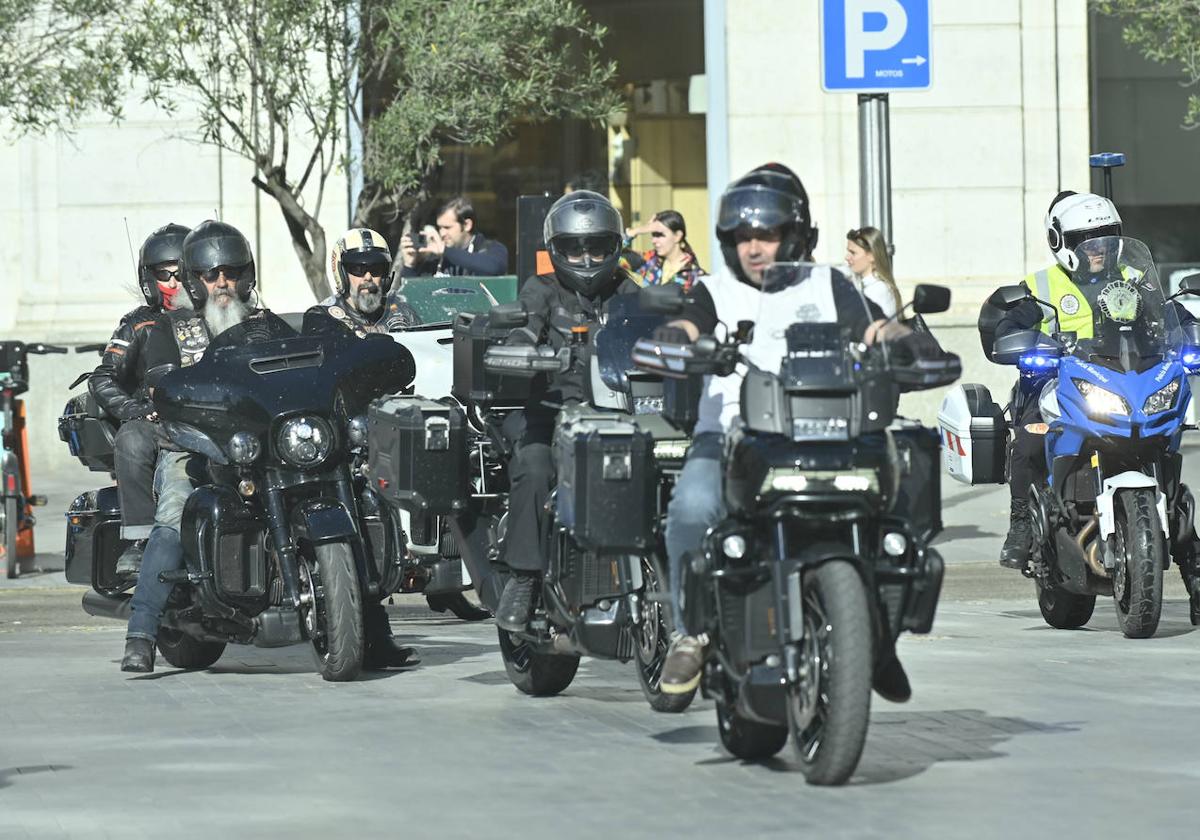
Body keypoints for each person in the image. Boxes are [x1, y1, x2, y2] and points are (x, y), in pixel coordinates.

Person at [654, 163, 931, 695]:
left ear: (794, 236)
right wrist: (674, 336)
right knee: (690, 509)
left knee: (901, 503)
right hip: (734, 435)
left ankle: (878, 635)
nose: (754, 247)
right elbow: (689, 322)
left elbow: (872, 324)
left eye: (768, 234)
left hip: (827, 429)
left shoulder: (827, 284)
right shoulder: (714, 290)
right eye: (744, 236)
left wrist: (903, 339)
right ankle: (689, 635)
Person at [493, 190, 641, 631]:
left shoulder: (628, 290)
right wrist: (522, 348)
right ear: (556, 249)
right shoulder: (542, 288)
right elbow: (525, 323)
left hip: (617, 410)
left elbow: (657, 332)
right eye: (574, 247)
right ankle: (523, 578)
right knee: (535, 467)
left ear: (614, 246)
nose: (586, 256)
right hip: (551, 407)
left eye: (597, 246)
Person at [988, 191, 1123, 571]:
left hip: (1123, 380)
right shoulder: (1040, 285)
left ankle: (1190, 554)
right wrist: (1020, 341)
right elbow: (1008, 324)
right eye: (1087, 242)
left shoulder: (1132, 277)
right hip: (1054, 384)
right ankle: (1020, 526)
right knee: (1031, 440)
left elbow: (1165, 314)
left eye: (1107, 239)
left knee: (1164, 438)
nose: (1099, 250)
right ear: (1061, 242)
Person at [89, 223, 191, 578]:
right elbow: (102, 378)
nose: (176, 283)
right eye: (167, 274)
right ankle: (141, 539)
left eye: (184, 272)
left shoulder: (220, 317)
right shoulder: (139, 325)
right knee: (131, 439)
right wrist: (136, 410)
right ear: (150, 279)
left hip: (213, 418)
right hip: (158, 421)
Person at [318, 227, 420, 334]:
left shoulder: (403, 313)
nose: (368, 277)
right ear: (342, 274)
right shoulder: (324, 317)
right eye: (358, 269)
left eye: (375, 269)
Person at [399, 197, 509, 278]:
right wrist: (410, 265)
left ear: (467, 225)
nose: (442, 233)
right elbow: (412, 297)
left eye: (447, 227)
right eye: (440, 227)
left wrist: (445, 251)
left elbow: (494, 267)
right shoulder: (436, 258)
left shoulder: (491, 248)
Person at [625, 210, 706, 291]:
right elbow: (614, 256)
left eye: (660, 235)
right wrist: (635, 232)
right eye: (653, 235)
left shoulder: (695, 276)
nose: (654, 240)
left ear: (678, 236)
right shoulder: (650, 261)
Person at [845, 226, 902, 318]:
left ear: (871, 255)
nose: (847, 257)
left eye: (853, 253)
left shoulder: (878, 289)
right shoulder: (862, 284)